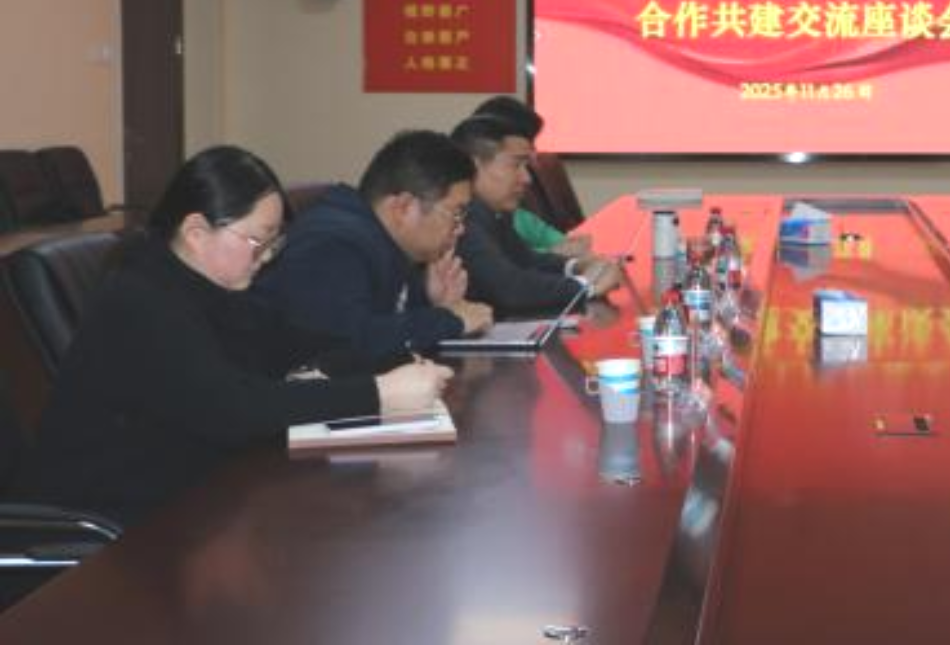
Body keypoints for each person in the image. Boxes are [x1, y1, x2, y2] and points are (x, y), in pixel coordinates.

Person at [17, 147, 452, 525]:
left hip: (192, 498)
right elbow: (233, 408)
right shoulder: (139, 299)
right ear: (196, 232)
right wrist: (378, 393)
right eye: (258, 242)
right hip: (117, 527)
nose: (266, 258)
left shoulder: (214, 288)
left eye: (274, 244)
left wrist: (392, 362)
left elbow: (295, 342)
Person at [256, 131, 492, 363]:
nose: (461, 229)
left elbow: (386, 324)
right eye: (456, 213)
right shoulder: (332, 244)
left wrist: (430, 302)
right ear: (403, 207)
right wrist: (448, 319)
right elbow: (347, 345)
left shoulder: (387, 242)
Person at [450, 114, 621, 316]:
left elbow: (526, 259)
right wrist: (585, 286)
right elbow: (509, 288)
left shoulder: (492, 211)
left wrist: (576, 266)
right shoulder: (461, 217)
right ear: (474, 166)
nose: (527, 178)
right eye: (516, 165)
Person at [472, 95, 592, 258]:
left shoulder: (510, 213)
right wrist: (556, 253)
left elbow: (544, 246)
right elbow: (507, 262)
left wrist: (568, 248)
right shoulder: (462, 217)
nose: (526, 177)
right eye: (516, 161)